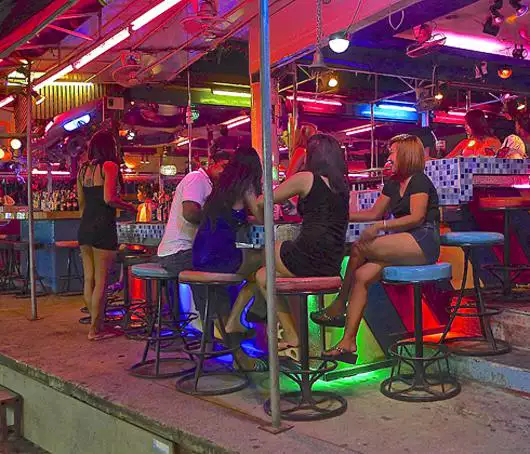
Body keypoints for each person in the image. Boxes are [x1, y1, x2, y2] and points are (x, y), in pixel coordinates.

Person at [311, 134, 440, 363]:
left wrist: (380, 226)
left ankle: (339, 303)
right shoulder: (393, 183)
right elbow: (374, 213)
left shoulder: (419, 180)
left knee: (360, 247)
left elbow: (417, 217)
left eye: (392, 152)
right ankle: (348, 342)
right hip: (403, 243)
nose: (388, 157)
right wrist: (339, 215)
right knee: (362, 276)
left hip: (423, 240)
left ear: (406, 154)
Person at [256, 134, 349, 361]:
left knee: (269, 249)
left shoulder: (306, 177)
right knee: (262, 276)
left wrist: (261, 219)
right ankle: (291, 334)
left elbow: (261, 201)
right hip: (332, 264)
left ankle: (260, 312)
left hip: (309, 256)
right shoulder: (342, 186)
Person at [192, 146, 265, 370]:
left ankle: (241, 322)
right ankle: (253, 311)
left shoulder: (221, 188)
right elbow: (263, 219)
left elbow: (229, 216)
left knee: (257, 267)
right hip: (220, 258)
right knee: (268, 260)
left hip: (200, 255)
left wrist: (244, 218)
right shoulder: (247, 186)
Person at [77, 130, 136, 341]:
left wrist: (87, 223)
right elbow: (109, 198)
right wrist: (131, 207)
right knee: (101, 281)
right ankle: (96, 329)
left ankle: (97, 323)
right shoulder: (109, 166)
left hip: (85, 226)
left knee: (89, 278)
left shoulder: (83, 169)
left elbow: (81, 203)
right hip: (103, 226)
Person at [156, 149, 230, 301]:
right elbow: (190, 213)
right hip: (178, 252)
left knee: (223, 263)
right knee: (223, 265)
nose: (225, 172)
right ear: (211, 163)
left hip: (183, 251)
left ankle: (213, 313)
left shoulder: (210, 185)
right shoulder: (196, 178)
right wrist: (218, 222)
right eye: (224, 166)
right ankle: (213, 314)